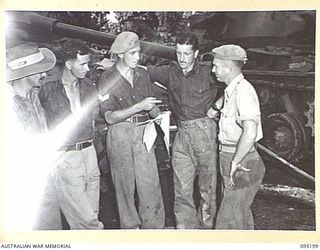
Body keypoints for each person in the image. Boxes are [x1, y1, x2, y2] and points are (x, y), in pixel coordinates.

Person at [147, 32, 219, 229]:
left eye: (187, 53)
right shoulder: (170, 71)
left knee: (207, 186)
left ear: (195, 54)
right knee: (181, 187)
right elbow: (144, 71)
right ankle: (186, 229)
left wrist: (217, 106)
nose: (182, 58)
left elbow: (232, 84)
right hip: (181, 133)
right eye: (179, 53)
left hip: (204, 129)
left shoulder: (208, 72)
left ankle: (206, 228)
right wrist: (114, 66)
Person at [98, 31, 165, 229]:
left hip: (144, 130)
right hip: (120, 132)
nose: (138, 57)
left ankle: (153, 227)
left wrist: (160, 116)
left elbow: (151, 107)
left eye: (138, 53)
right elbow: (109, 117)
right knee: (123, 184)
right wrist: (138, 107)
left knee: (150, 182)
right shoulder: (107, 77)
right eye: (133, 53)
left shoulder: (143, 74)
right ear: (120, 54)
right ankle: (130, 228)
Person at [38, 39, 103, 229]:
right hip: (66, 158)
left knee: (92, 214)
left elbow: (95, 117)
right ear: (68, 64)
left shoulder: (88, 86)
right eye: (82, 64)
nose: (87, 68)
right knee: (88, 222)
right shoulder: (47, 88)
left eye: (88, 63)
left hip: (90, 154)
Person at [5, 42, 62, 230]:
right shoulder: (7, 104)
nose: (44, 75)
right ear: (26, 73)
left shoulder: (34, 96)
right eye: (40, 71)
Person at [210, 44, 265, 229]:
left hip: (242, 161)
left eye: (216, 66)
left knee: (227, 223)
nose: (213, 70)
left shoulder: (243, 91)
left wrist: (235, 161)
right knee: (240, 218)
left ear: (228, 67)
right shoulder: (233, 90)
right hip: (235, 157)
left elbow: (250, 131)